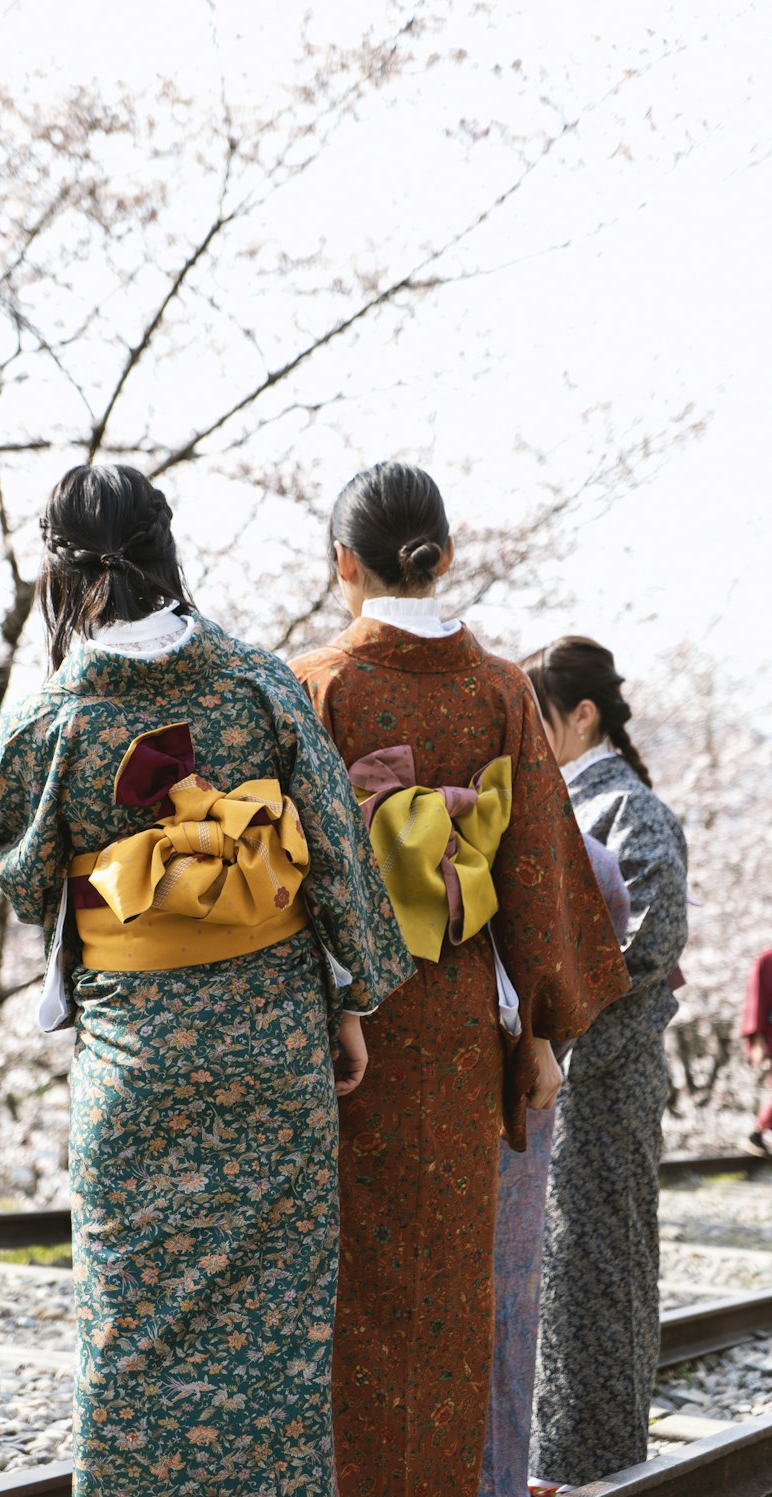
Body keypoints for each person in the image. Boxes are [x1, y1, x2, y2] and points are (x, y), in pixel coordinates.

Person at [0, 464, 414, 1497]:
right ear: (169, 548)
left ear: (58, 571)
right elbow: (338, 858)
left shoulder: (53, 719)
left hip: (140, 1067)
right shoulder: (257, 683)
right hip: (272, 1049)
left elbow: (18, 864)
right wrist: (349, 1000)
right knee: (277, 1344)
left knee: (131, 1338)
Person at [289, 462, 629, 1497]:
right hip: (455, 1022)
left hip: (341, 1030)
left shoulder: (318, 684)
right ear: (447, 549)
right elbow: (529, 863)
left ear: (342, 563)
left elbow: (288, 866)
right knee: (445, 1292)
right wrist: (537, 1040)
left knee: (344, 1291)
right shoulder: (498, 689)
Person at [526, 636, 689, 1491]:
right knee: (551, 1269)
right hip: (552, 1069)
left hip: (600, 1079)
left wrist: (554, 1041)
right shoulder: (554, 801)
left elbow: (644, 947)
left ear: (581, 714)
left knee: (598, 1266)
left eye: (541, 711)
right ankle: (546, 1459)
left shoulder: (631, 811)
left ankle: (598, 1463)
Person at [479, 833, 630, 1497]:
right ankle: (496, 1480)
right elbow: (602, 891)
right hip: (515, 1078)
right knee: (503, 1300)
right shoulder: (558, 841)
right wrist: (547, 1036)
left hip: (373, 1076)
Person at [740, 948, 772, 1156]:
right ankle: (757, 1132)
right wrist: (758, 1040)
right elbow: (756, 1000)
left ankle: (757, 1133)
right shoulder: (767, 960)